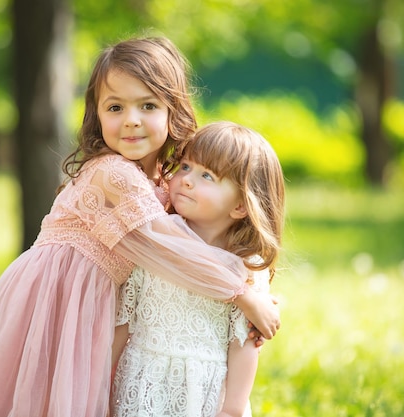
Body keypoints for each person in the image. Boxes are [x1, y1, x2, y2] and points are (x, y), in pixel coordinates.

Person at [0, 37, 280, 417]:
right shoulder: (112, 173)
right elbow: (171, 249)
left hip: (92, 303)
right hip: (56, 297)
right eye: (115, 107)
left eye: (148, 105)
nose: (131, 120)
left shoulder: (168, 182)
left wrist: (256, 292)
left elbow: (204, 242)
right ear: (97, 115)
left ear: (174, 111)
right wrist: (243, 294)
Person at [110, 121, 286, 417]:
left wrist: (232, 409)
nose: (187, 180)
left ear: (240, 207)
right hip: (143, 380)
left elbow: (244, 343)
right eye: (186, 167)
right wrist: (103, 385)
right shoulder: (159, 237)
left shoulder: (244, 266)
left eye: (207, 175)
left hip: (202, 390)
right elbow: (123, 320)